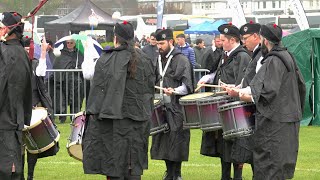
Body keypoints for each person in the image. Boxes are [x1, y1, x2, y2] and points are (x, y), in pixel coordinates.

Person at [82, 21, 155, 180]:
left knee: (115, 167)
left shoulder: (106, 59)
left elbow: (97, 94)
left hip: (114, 124)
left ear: (116, 38)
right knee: (132, 167)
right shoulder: (146, 60)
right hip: (136, 122)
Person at [238, 23, 305, 180]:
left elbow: (265, 93)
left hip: (274, 125)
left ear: (265, 40)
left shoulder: (273, 61)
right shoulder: (288, 57)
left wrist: (243, 96)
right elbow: (301, 87)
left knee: (270, 168)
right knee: (280, 168)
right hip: (289, 120)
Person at [198, 23, 251, 180]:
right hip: (224, 106)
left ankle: (238, 177)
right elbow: (218, 74)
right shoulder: (225, 54)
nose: (219, 42)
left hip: (236, 108)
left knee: (237, 145)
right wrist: (207, 78)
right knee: (223, 145)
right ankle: (225, 176)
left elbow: (245, 83)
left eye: (223, 40)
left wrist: (232, 88)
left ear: (232, 40)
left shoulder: (242, 56)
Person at [150, 29, 194, 180]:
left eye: (162, 43)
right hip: (162, 106)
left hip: (176, 107)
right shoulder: (158, 59)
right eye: (157, 44)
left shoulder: (181, 59)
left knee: (177, 139)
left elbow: (187, 85)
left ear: (170, 42)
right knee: (163, 140)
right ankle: (169, 172)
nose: (159, 47)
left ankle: (177, 173)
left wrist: (174, 91)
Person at [223, 22, 262, 179]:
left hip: (252, 109)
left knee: (253, 150)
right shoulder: (255, 55)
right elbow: (248, 81)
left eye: (245, 38)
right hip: (247, 104)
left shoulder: (251, 56)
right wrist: (237, 89)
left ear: (256, 36)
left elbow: (257, 85)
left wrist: (238, 92)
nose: (244, 42)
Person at [0, 12, 33, 180]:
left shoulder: (7, 53)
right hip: (13, 121)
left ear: (7, 29)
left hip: (6, 122)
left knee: (9, 171)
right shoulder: (20, 52)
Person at [22, 37, 59, 180]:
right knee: (18, 144)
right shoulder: (14, 63)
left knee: (32, 144)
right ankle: (19, 174)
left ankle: (30, 175)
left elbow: (41, 72)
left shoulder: (35, 63)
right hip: (18, 109)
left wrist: (43, 53)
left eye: (28, 50)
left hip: (34, 109)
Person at [51, 38, 85, 123]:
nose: (69, 44)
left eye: (71, 43)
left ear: (74, 43)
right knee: (62, 98)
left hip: (76, 81)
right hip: (63, 80)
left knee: (76, 98)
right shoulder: (61, 53)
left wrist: (77, 67)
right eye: (68, 43)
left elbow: (83, 65)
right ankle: (62, 117)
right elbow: (57, 65)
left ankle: (75, 116)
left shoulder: (78, 54)